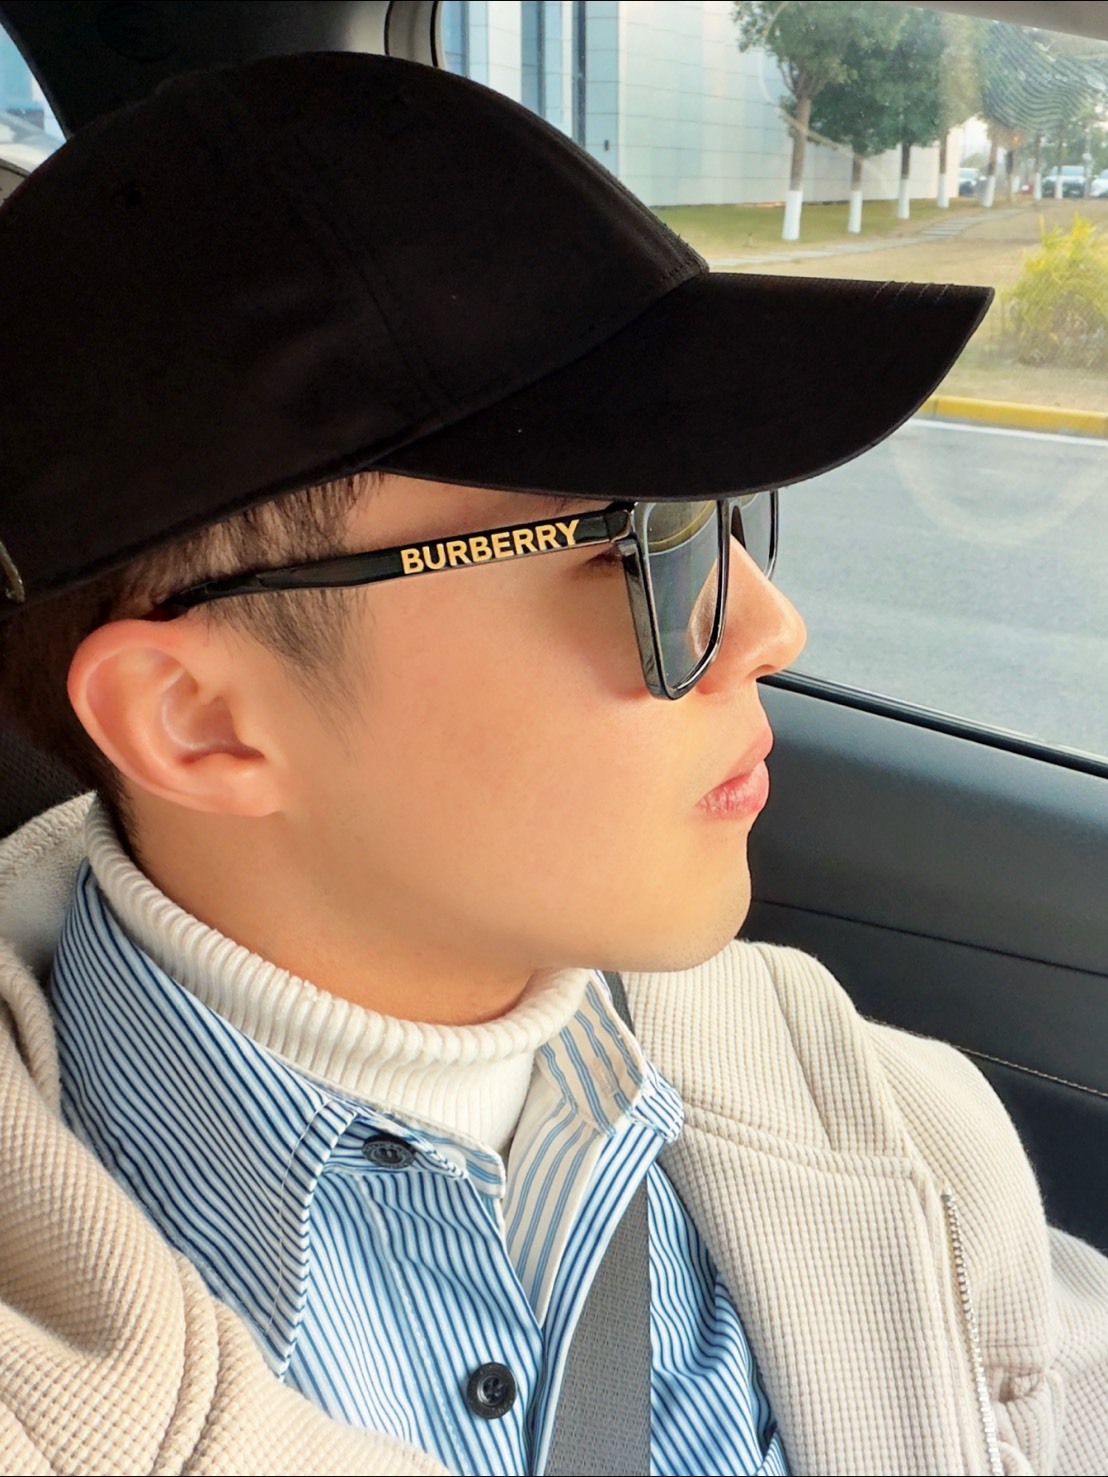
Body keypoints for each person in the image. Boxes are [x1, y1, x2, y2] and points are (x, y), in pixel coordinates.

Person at [0, 50, 1103, 1477]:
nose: (771, 628)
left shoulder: (901, 1137)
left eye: (728, 512)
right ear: (199, 719)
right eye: (646, 546)